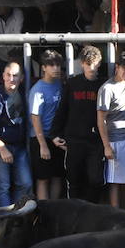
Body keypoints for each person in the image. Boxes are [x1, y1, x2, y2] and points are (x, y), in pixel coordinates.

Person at [49, 43, 105, 203]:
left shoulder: (103, 85)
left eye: (94, 63)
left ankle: (92, 215)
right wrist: (54, 134)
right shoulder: (72, 84)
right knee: (74, 180)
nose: (92, 67)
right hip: (74, 140)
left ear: (99, 63)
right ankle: (73, 215)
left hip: (95, 141)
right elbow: (62, 110)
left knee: (95, 180)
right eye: (88, 64)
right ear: (82, 64)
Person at [0, 59, 31, 212]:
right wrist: (2, 149)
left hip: (19, 146)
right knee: (2, 186)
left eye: (15, 75)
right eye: (8, 75)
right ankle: (6, 223)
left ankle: (15, 217)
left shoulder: (24, 94)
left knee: (25, 183)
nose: (12, 79)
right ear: (3, 76)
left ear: (21, 78)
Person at [96, 52, 125, 211]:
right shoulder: (107, 89)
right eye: (124, 69)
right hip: (116, 140)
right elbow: (101, 119)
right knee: (116, 181)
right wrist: (106, 146)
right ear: (117, 68)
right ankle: (116, 213)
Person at [27, 50, 65, 201]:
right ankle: (44, 212)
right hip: (40, 138)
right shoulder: (38, 90)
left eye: (58, 65)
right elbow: (35, 119)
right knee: (43, 178)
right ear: (43, 67)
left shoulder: (59, 84)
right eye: (51, 65)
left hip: (57, 137)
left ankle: (55, 210)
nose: (55, 68)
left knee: (57, 175)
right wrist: (43, 145)